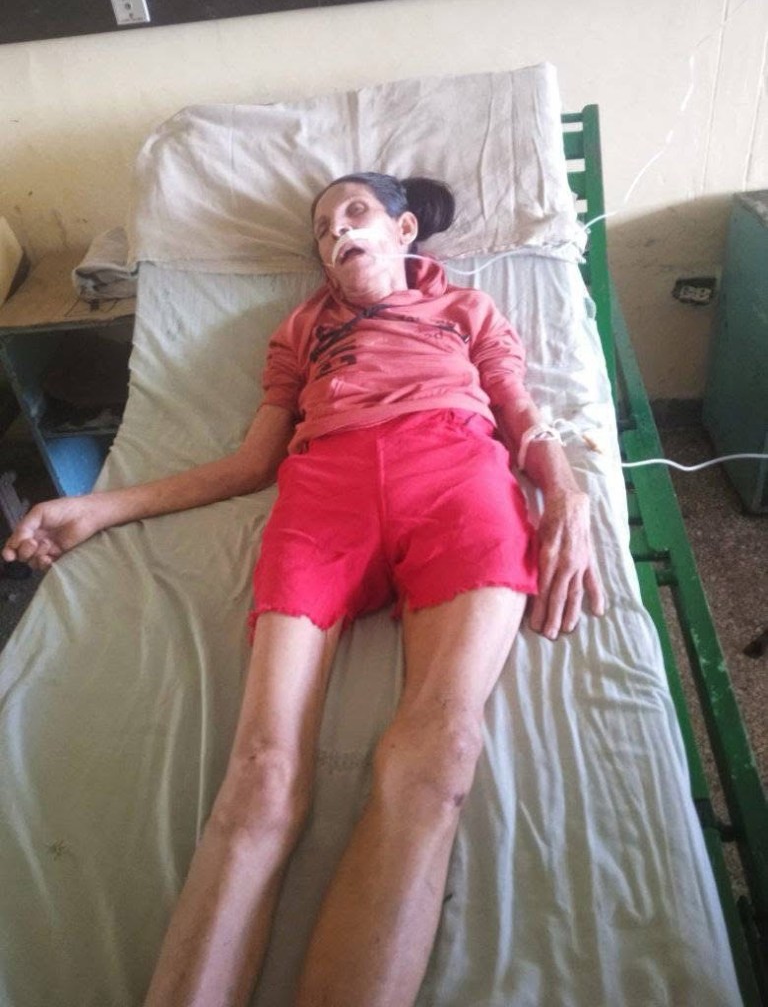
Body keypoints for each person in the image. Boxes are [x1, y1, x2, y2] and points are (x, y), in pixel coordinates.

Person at [2, 172, 604, 1007]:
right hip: (326, 495)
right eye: (322, 229)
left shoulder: (466, 310)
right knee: (260, 772)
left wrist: (567, 497)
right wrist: (97, 509)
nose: (336, 233)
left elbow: (520, 414)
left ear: (403, 231)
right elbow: (251, 465)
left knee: (438, 755)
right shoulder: (301, 330)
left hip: (458, 479)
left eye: (354, 214)